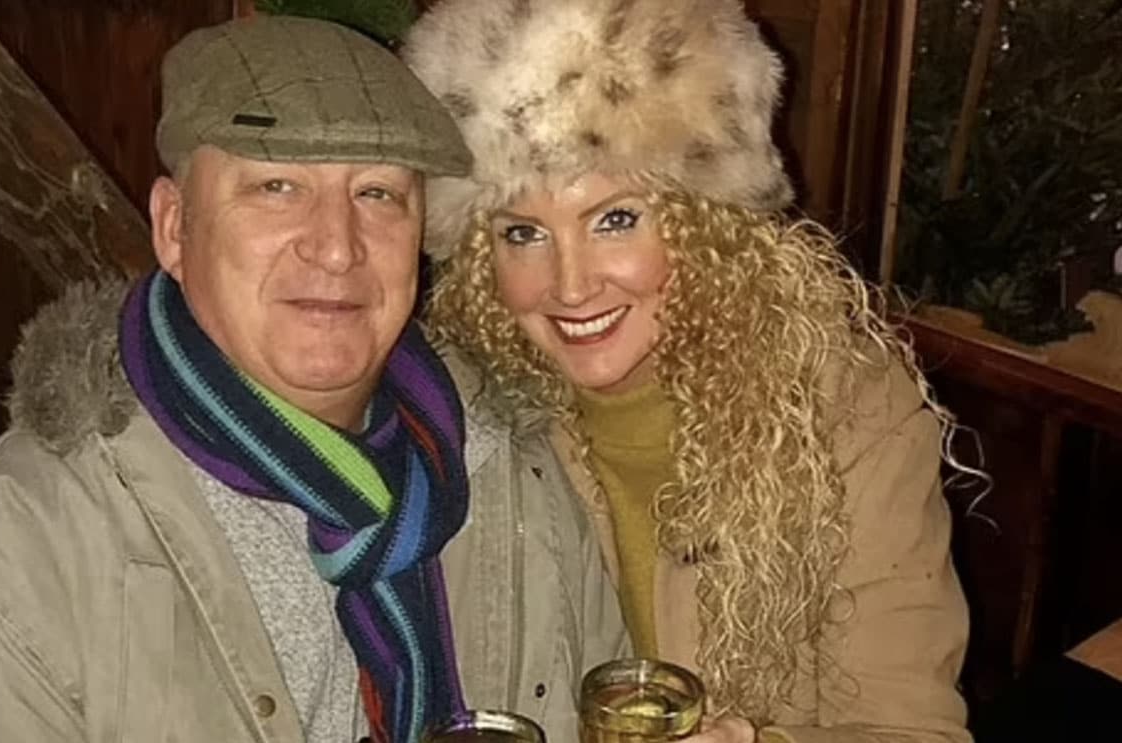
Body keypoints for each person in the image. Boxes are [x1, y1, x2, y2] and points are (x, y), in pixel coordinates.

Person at [0, 15, 625, 743]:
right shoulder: (12, 554)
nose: (336, 247)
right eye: (277, 186)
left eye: (377, 194)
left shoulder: (517, 470)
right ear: (174, 227)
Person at [404, 1, 972, 741]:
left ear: (707, 222)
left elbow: (911, 729)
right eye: (523, 233)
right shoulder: (461, 413)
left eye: (615, 219)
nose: (571, 286)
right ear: (481, 259)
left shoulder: (845, 410)